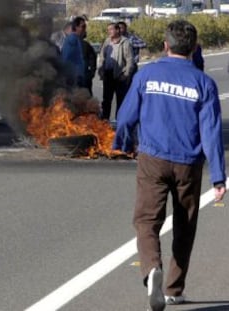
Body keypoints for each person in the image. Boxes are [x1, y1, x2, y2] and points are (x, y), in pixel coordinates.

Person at [112, 20, 226, 311]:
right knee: (184, 226)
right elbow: (211, 132)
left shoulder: (147, 75)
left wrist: (123, 144)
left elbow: (125, 118)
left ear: (165, 45)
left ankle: (152, 269)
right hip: (188, 163)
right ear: (195, 48)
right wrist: (218, 177)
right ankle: (174, 289)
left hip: (153, 159)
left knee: (147, 220)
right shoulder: (204, 83)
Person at [97, 22, 134, 120]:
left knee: (121, 101)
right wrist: (101, 70)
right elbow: (102, 57)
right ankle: (104, 122)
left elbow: (130, 61)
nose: (109, 31)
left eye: (111, 29)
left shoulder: (125, 42)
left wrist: (126, 75)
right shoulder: (107, 41)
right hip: (108, 75)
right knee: (106, 100)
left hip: (119, 75)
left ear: (117, 30)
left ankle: (119, 122)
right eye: (108, 30)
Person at [61, 16, 87, 90]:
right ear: (76, 27)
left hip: (77, 76)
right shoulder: (72, 39)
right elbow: (66, 57)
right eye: (83, 26)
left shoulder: (76, 39)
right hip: (74, 77)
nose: (84, 29)